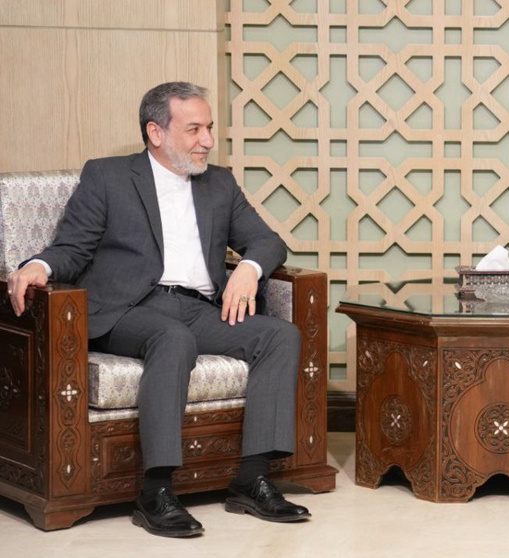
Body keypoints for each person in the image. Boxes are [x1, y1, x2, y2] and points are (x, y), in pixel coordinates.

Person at [6, 82, 312, 538]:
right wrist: (38, 265)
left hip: (199, 306)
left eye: (209, 128)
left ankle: (252, 478)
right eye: (194, 129)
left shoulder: (219, 183)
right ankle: (156, 491)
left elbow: (268, 240)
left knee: (279, 336)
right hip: (127, 308)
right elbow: (72, 246)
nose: (207, 140)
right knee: (172, 338)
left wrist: (249, 267)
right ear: (156, 132)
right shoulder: (108, 176)